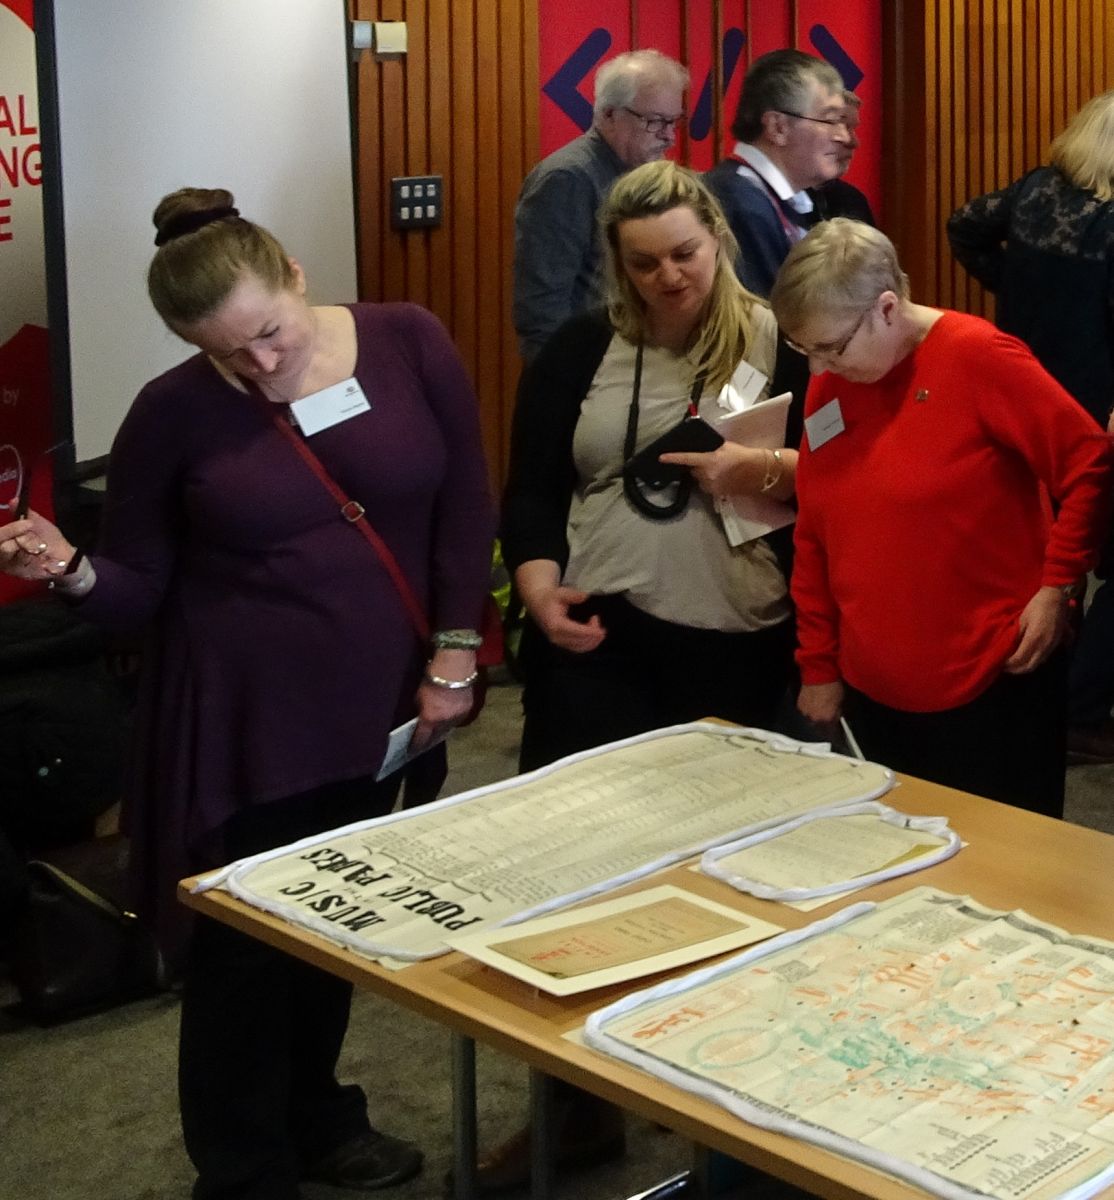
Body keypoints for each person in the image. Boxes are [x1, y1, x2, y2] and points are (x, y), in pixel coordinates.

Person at [0, 188, 495, 1200]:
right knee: (242, 958)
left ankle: (319, 1120)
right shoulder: (171, 412)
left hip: (384, 712)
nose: (261, 368)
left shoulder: (408, 340)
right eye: (229, 355)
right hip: (246, 727)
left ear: (296, 277)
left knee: (337, 932)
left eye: (269, 335)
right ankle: (242, 1167)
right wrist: (68, 570)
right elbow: (136, 584)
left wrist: (457, 651)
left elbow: (463, 503)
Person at [475, 160, 800, 1194]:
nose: (669, 279)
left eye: (685, 256)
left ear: (716, 235)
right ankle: (575, 1111)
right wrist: (534, 582)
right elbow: (529, 486)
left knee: (728, 883)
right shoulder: (581, 350)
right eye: (645, 263)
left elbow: (849, 482)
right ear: (616, 266)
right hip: (600, 641)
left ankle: (733, 1114)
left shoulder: (783, 341)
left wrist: (775, 473)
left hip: (740, 645)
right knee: (578, 877)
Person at [769, 218, 1112, 818]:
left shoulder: (978, 356)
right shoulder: (833, 389)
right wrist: (818, 665)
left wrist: (1059, 584)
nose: (819, 369)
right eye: (806, 350)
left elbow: (1088, 460)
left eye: (832, 346)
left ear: (886, 307)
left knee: (1004, 876)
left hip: (992, 679)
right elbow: (816, 535)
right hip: (875, 687)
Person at [947, 90, 1114, 761]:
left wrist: (1010, 285)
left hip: (1017, 386)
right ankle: (1079, 704)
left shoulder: (1035, 190)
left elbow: (963, 225)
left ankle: (1026, 682)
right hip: (1093, 401)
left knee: (1032, 542)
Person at [512, 48, 689, 361]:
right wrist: (560, 384)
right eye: (655, 122)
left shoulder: (645, 173)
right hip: (585, 369)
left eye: (674, 122)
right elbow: (542, 307)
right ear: (609, 114)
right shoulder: (566, 179)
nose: (669, 137)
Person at [704, 49, 849, 299]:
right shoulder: (738, 205)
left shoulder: (770, 197)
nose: (843, 137)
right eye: (831, 120)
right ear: (778, 127)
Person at [812, 89, 876, 225]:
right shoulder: (767, 201)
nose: (854, 142)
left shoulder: (852, 201)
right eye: (839, 126)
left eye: (853, 129)